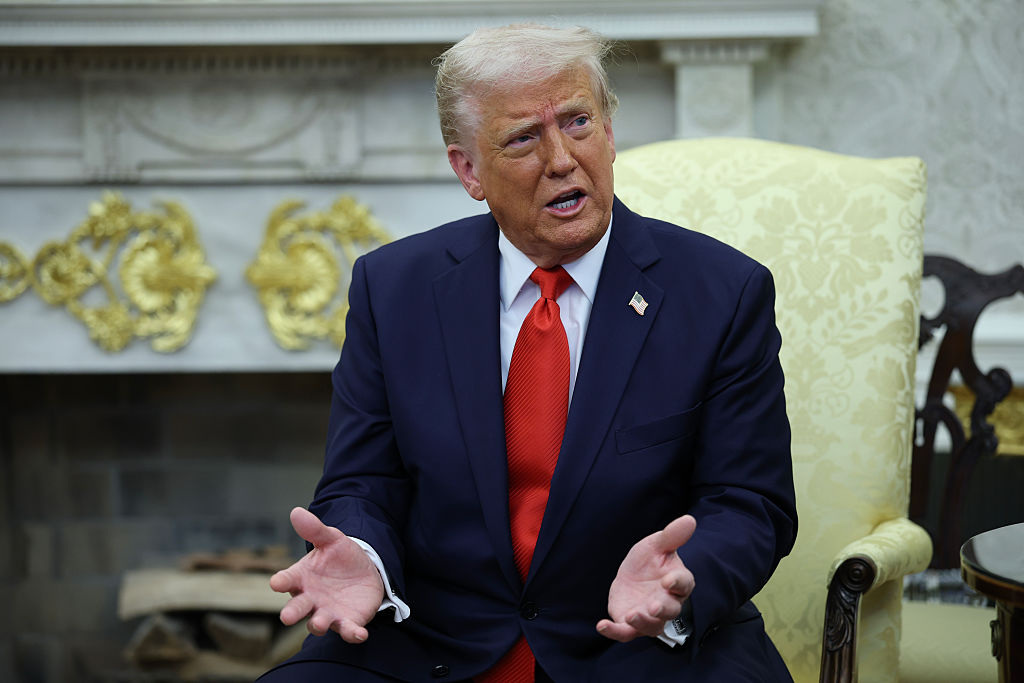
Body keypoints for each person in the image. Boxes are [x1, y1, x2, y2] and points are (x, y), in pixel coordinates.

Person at [259, 23, 797, 682]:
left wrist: (684, 576)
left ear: (609, 132)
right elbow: (361, 481)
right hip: (433, 639)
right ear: (468, 170)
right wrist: (365, 554)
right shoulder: (393, 289)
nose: (563, 158)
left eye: (577, 122)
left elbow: (748, 502)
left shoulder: (720, 292)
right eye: (523, 138)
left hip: (635, 643)